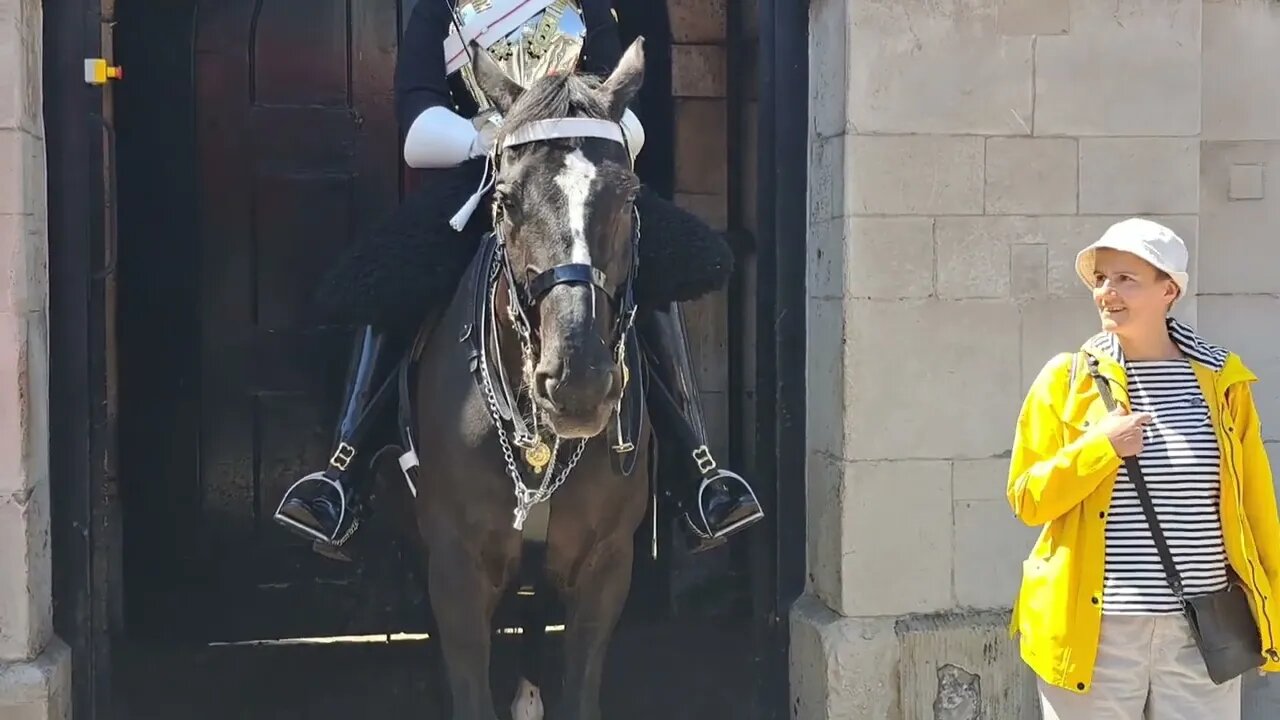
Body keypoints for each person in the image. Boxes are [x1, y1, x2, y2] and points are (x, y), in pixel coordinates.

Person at [271, 0, 763, 557]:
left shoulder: (588, 6)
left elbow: (626, 120)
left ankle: (698, 473)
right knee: (384, 276)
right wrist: (492, 140)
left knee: (652, 261)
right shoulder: (444, 9)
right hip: (486, 180)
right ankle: (344, 474)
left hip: (577, 180)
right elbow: (418, 123)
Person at [1006, 218, 1280, 718]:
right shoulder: (1066, 378)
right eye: (1101, 279)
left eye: (1126, 279)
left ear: (1168, 289)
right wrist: (1099, 447)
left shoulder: (1223, 382)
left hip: (1201, 632)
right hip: (1097, 631)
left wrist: (1271, 611)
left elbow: (1257, 510)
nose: (1107, 292)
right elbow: (1027, 498)